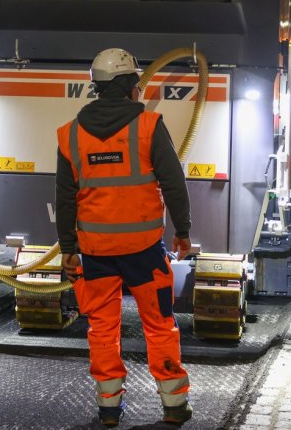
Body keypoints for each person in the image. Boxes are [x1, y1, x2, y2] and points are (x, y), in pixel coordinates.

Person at [55, 48, 194, 427]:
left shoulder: (70, 135)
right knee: (159, 323)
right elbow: (173, 183)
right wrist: (183, 231)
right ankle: (173, 404)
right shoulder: (148, 125)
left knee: (102, 328)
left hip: (95, 252)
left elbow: (64, 198)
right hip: (144, 251)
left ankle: (109, 409)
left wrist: (68, 249)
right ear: (132, 84)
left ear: (97, 88)